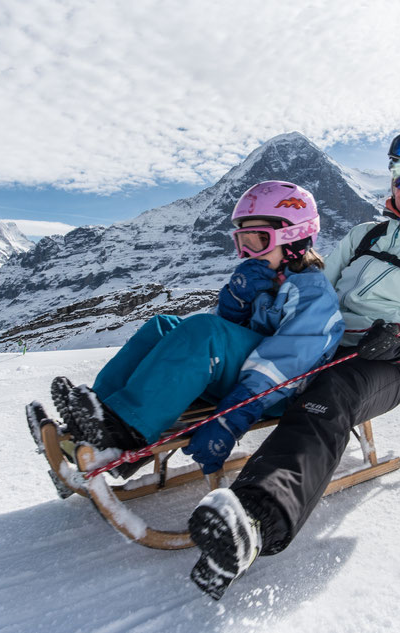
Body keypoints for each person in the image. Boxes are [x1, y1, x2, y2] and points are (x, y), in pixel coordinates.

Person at [187, 130, 400, 600]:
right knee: (241, 358)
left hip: (388, 366)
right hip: (326, 341)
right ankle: (121, 430)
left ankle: (257, 517)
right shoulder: (366, 235)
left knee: (330, 395)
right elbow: (311, 286)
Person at [46, 180, 345, 480]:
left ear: (295, 240)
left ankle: (126, 433)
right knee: (162, 326)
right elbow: (234, 335)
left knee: (205, 332)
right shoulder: (266, 278)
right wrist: (236, 304)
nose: (246, 253)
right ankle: (98, 414)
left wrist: (232, 417)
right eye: (241, 242)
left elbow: (290, 362)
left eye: (257, 241)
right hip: (250, 377)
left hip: (276, 392)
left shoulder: (312, 292)